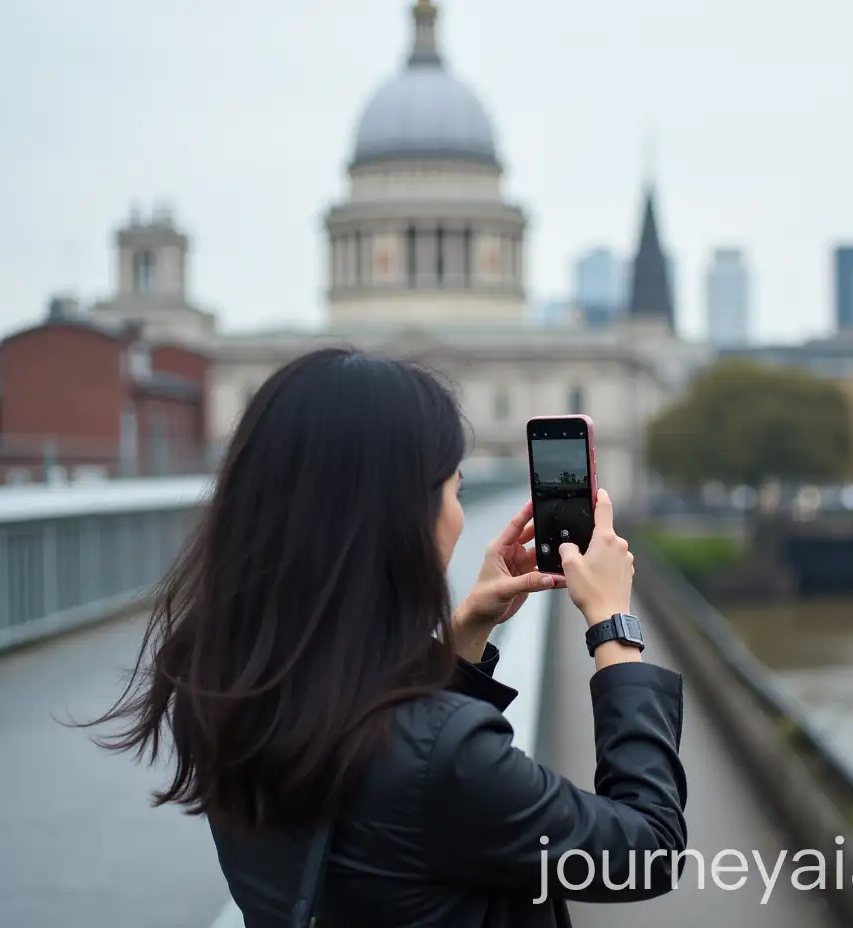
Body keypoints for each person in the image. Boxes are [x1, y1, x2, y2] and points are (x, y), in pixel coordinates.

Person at [86, 347, 688, 926]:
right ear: (401, 514)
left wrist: (466, 633)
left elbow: (393, 800)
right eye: (454, 489)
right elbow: (646, 851)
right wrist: (614, 627)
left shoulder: (216, 686)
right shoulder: (445, 754)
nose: (459, 513)